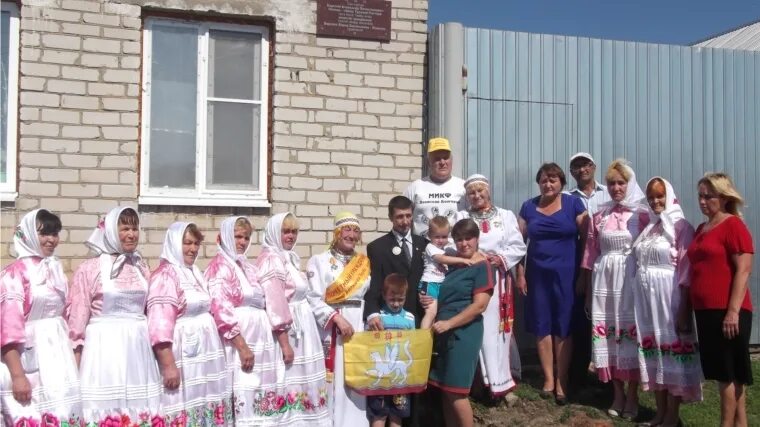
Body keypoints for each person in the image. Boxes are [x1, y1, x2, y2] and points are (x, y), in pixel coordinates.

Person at [67, 207, 162, 425]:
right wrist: (75, 363)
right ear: (110, 231)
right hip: (104, 352)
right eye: (125, 228)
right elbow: (77, 321)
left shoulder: (140, 265)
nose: (131, 234)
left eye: (135, 228)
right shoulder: (90, 269)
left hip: (138, 351)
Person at [256, 212, 353, 427]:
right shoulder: (271, 260)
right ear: (274, 233)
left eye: (294, 232)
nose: (290, 236)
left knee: (303, 380)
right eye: (285, 231)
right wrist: (284, 342)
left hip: (302, 326)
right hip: (289, 330)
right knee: (288, 380)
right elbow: (275, 302)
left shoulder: (288, 257)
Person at [580, 159, 648, 420]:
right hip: (604, 279)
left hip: (629, 279)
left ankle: (632, 396)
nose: (616, 188)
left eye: (621, 183)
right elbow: (589, 254)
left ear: (630, 184)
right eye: (611, 183)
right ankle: (616, 393)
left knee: (629, 334)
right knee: (608, 333)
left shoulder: (642, 215)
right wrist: (587, 289)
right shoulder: (600, 215)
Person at [205, 216, 289, 425]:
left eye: (246, 237)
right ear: (224, 237)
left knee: (261, 389)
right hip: (239, 339)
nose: (242, 242)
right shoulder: (219, 268)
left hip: (260, 338)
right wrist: (242, 347)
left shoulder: (248, 267)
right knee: (243, 385)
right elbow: (221, 310)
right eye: (237, 237)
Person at [0, 210, 81, 426]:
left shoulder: (55, 269)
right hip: (28, 357)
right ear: (27, 234)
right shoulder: (15, 274)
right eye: (44, 233)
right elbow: (8, 330)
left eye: (55, 234)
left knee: (62, 412)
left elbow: (65, 315)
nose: (51, 240)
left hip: (58, 355)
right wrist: (18, 376)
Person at [632, 178, 702, 427]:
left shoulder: (681, 227)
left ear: (670, 196)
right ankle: (659, 414)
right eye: (651, 197)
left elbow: (686, 270)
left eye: (660, 196)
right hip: (647, 302)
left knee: (671, 356)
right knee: (654, 355)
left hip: (668, 300)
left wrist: (684, 308)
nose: (655, 201)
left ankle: (673, 417)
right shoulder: (650, 227)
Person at [147, 222, 231, 425]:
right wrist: (168, 365)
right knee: (184, 401)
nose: (193, 249)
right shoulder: (165, 276)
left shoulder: (193, 272)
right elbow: (159, 324)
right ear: (175, 243)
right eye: (187, 243)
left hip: (205, 352)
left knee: (204, 398)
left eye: (196, 244)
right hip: (184, 353)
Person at [687, 172, 754, 427]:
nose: (703, 201)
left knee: (729, 374)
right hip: (705, 310)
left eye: (709, 196)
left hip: (727, 310)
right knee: (725, 373)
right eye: (700, 196)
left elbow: (743, 269)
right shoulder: (703, 228)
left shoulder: (733, 225)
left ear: (724, 197)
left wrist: (733, 311)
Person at [517, 165, 587, 405]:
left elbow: (588, 240)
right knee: (542, 325)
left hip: (567, 275)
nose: (548, 184)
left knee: (563, 326)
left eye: (553, 180)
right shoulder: (528, 207)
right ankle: (548, 378)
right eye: (544, 180)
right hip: (537, 275)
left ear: (562, 183)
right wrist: (520, 273)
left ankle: (562, 380)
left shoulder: (574, 205)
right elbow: (518, 244)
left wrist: (583, 275)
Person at [455, 174, 526, 401]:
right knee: (476, 328)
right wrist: (473, 256)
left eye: (480, 191)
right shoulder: (462, 216)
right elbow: (453, 244)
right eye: (471, 193)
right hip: (473, 278)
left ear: (488, 191)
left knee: (498, 331)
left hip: (498, 279)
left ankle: (501, 382)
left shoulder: (505, 216)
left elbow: (517, 245)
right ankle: (480, 382)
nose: (476, 196)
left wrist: (500, 258)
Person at [306, 212, 371, 427]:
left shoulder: (364, 263)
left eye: (356, 231)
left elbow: (369, 297)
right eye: (347, 230)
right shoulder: (319, 261)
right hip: (332, 329)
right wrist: (335, 318)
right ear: (336, 232)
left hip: (358, 328)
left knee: (355, 377)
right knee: (333, 380)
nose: (351, 235)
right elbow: (313, 297)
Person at [428, 219, 494, 427]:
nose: (464, 244)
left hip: (464, 332)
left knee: (457, 391)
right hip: (443, 332)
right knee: (445, 390)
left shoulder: (482, 266)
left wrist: (450, 324)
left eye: (468, 238)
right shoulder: (454, 265)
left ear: (477, 239)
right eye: (459, 240)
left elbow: (479, 306)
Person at [565, 152, 611, 388]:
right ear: (571, 172)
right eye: (576, 166)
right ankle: (580, 375)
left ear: (593, 166)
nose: (582, 170)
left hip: (609, 264)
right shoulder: (566, 198)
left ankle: (610, 376)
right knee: (582, 319)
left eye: (585, 165)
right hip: (581, 264)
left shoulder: (610, 191)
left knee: (608, 319)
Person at [367, 274, 435, 427]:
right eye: (392, 300)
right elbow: (368, 343)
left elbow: (414, 346)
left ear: (406, 297)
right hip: (381, 377)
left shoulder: (410, 318)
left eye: (400, 300)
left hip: (401, 378)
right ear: (384, 296)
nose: (396, 304)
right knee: (379, 415)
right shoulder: (378, 318)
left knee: (397, 416)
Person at [364, 196, 428, 329]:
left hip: (422, 318)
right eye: (399, 217)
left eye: (408, 216)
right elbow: (374, 285)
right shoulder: (377, 248)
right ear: (390, 217)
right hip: (391, 320)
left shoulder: (425, 245)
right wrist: (372, 313)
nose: (405, 221)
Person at [403, 137, 466, 238]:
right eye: (437, 159)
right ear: (429, 162)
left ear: (451, 160)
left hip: (455, 251)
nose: (442, 162)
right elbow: (403, 220)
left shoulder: (463, 187)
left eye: (446, 158)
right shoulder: (415, 187)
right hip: (422, 250)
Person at [419, 215, 474, 300]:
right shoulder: (430, 247)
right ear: (429, 235)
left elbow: (459, 253)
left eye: (444, 237)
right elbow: (441, 259)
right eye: (437, 237)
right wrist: (463, 260)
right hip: (430, 282)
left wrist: (479, 253)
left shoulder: (447, 246)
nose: (441, 240)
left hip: (440, 282)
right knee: (431, 312)